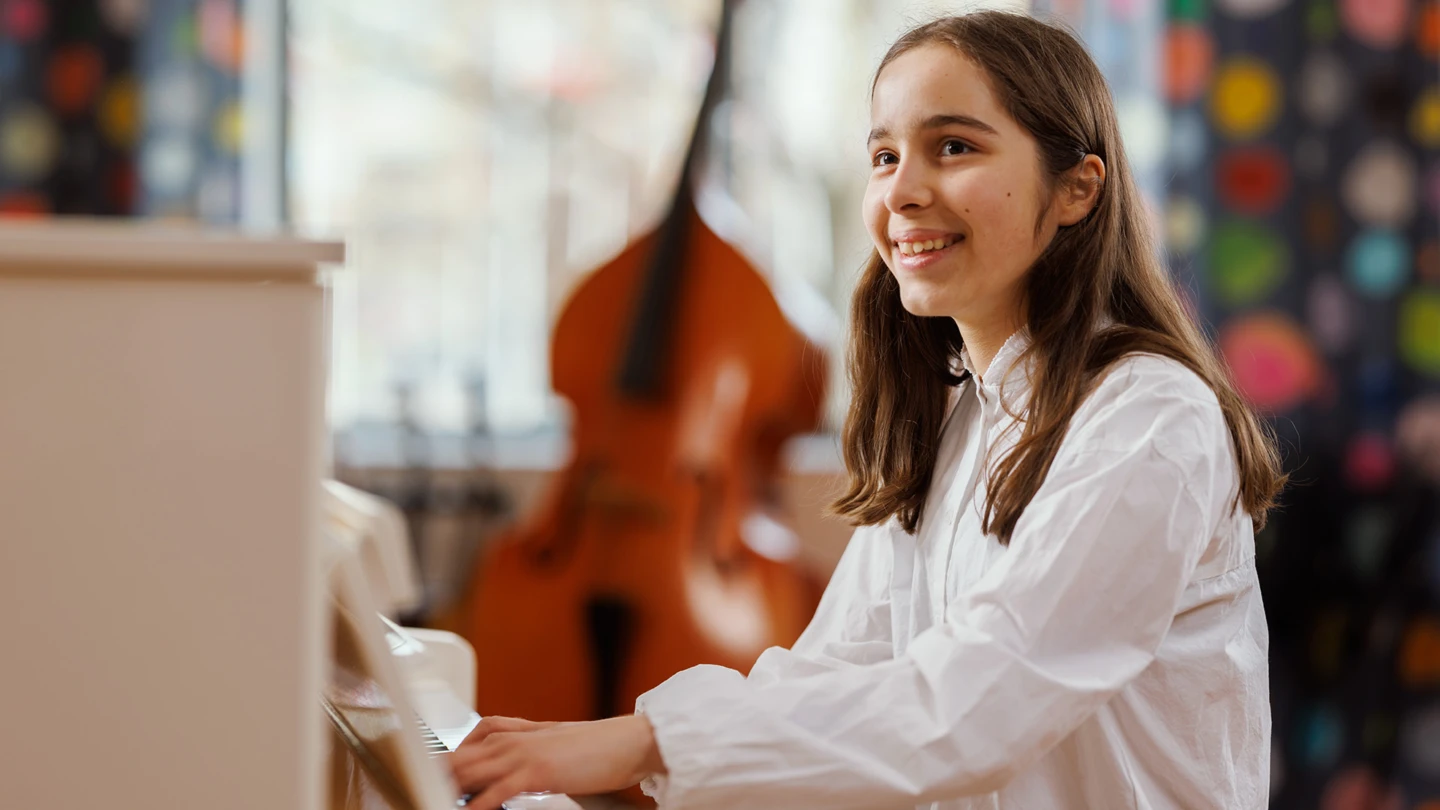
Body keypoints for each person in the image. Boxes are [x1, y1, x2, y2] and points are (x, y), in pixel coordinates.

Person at [450, 10, 1285, 809]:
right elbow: (836, 673)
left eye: (952, 147)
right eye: (884, 157)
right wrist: (615, 741)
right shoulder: (961, 415)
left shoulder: (1150, 417)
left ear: (1076, 188)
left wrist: (638, 746)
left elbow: (976, 704)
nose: (903, 191)